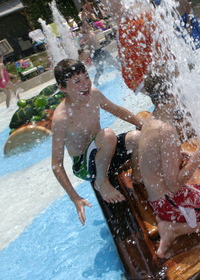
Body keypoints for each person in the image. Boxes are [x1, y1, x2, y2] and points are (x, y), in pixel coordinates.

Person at [26, 0, 165, 93]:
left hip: (129, 26)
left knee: (136, 78)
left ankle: (161, 104)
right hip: (148, 18)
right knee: (163, 62)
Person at [131, 73, 200, 258]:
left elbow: (153, 162)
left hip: (161, 199)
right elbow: (174, 185)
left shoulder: (152, 121)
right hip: (169, 203)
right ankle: (175, 229)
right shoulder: (165, 130)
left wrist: (181, 155)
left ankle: (170, 224)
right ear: (172, 93)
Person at [50, 59, 143, 225]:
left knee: (137, 138)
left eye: (86, 77)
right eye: (77, 82)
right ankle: (102, 181)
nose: (85, 84)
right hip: (86, 166)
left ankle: (137, 177)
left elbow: (116, 109)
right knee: (107, 135)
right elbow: (56, 164)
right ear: (62, 88)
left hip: (104, 150)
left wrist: (140, 123)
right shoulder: (62, 118)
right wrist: (75, 197)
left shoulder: (94, 94)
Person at [0, 39, 19, 108]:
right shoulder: (1, 64)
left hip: (0, 84)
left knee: (8, 95)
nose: (2, 58)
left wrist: (13, 76)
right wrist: (4, 79)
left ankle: (7, 108)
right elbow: (2, 72)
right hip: (5, 81)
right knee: (15, 90)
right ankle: (21, 104)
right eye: (1, 57)